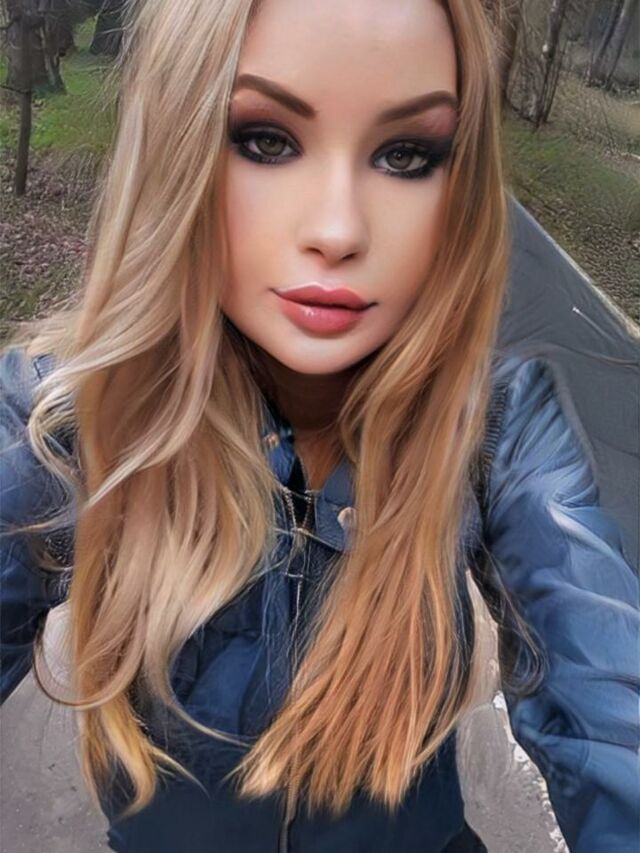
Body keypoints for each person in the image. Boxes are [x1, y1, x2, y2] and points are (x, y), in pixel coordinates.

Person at [0, 1, 638, 852]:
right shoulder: (67, 414)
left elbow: (613, 702)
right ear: (177, 146)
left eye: (405, 154)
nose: (338, 230)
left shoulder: (496, 426)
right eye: (266, 140)